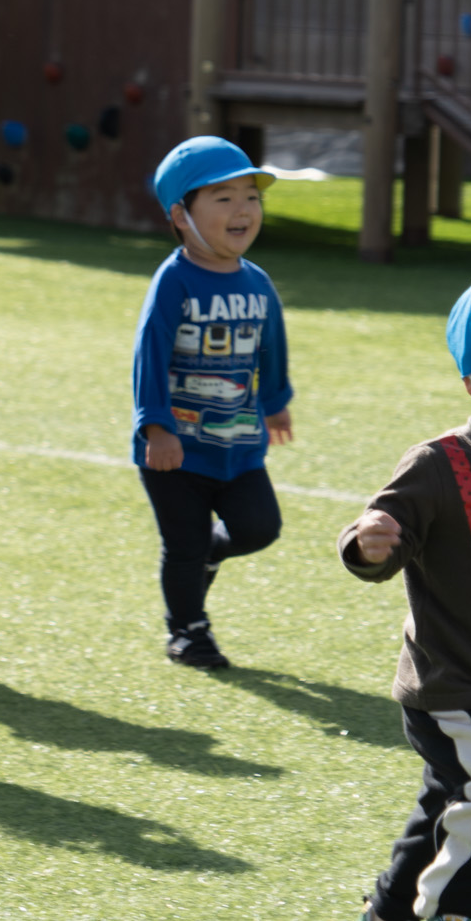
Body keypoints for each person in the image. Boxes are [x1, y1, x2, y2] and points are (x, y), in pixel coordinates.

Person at [344, 270, 471, 921]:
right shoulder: (440, 465)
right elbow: (380, 538)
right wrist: (369, 542)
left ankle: (391, 908)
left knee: (447, 808)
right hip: (457, 688)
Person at [131, 136, 293, 670]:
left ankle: (211, 552)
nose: (243, 208)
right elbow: (149, 355)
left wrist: (274, 402)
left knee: (259, 527)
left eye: (251, 196)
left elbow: (271, 345)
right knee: (182, 543)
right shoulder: (174, 281)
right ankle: (187, 632)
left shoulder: (257, 283)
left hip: (238, 442)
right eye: (223, 198)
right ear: (181, 215)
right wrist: (155, 427)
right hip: (176, 449)